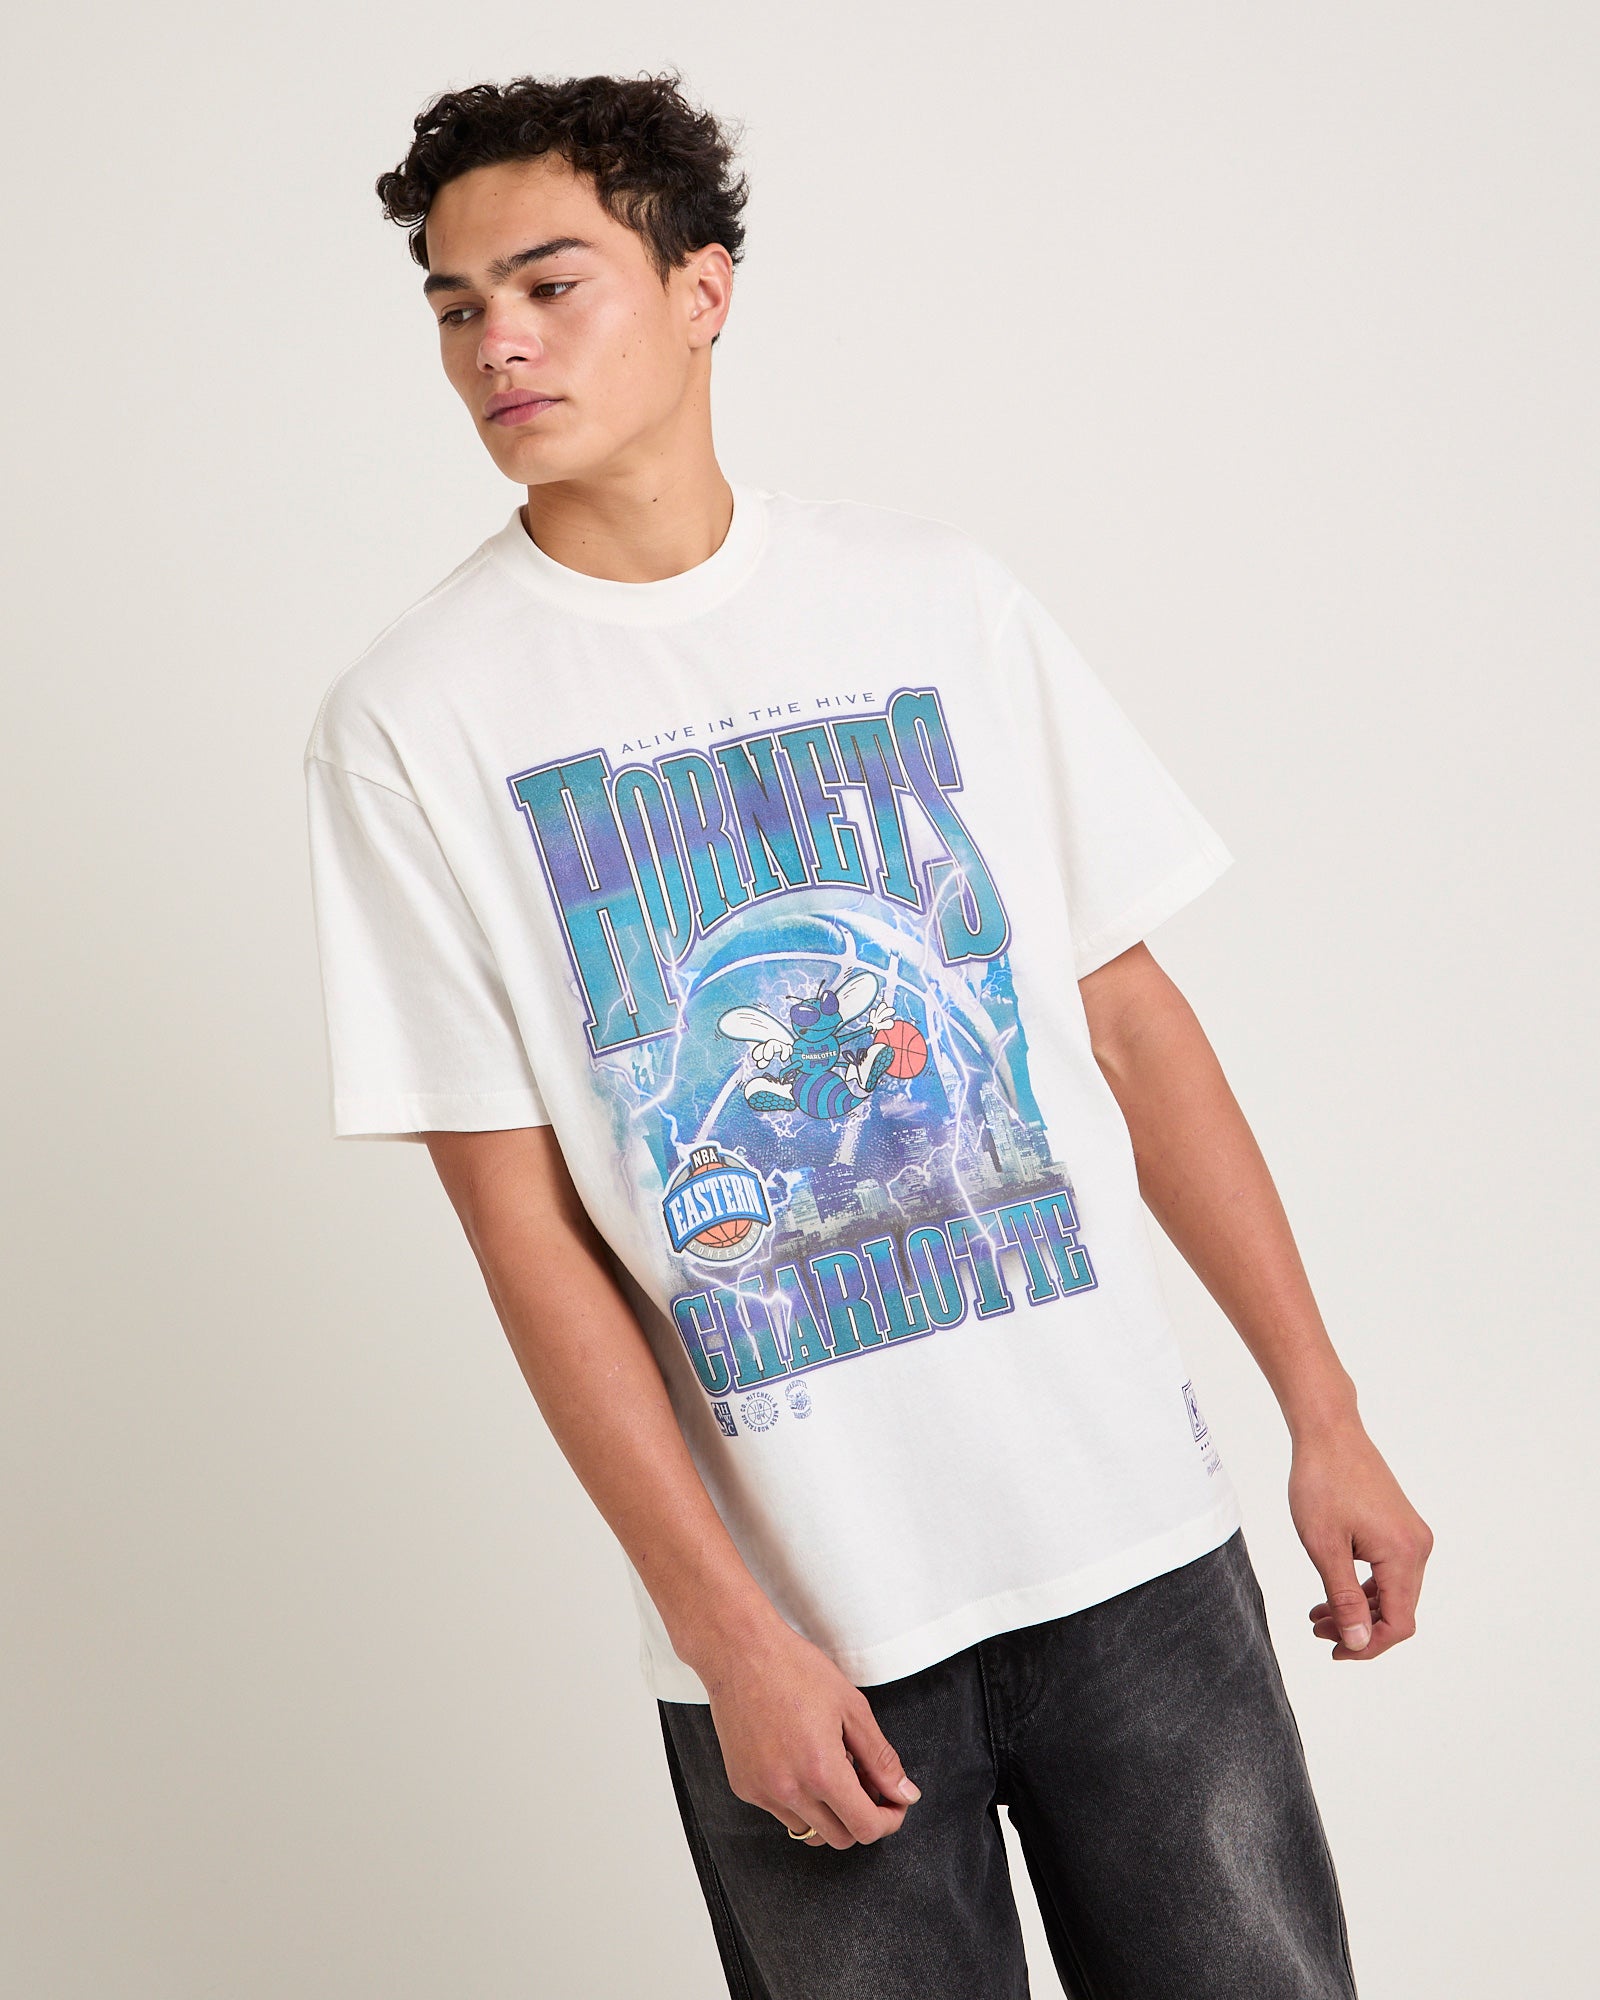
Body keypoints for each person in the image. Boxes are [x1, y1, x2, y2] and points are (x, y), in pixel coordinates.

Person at [302, 70, 1432, 1999]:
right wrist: (728, 1637)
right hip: (804, 1630)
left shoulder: (933, 602)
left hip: (1132, 1546)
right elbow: (522, 1229)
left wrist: (1322, 1414)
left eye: (550, 284)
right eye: (455, 304)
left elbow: (1131, 1024)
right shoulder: (413, 719)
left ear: (703, 289)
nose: (497, 343)